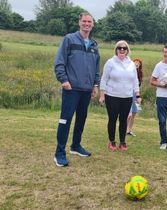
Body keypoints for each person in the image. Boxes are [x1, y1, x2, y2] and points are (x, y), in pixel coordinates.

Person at [53, 12, 100, 167]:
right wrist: (64, 80)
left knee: (81, 119)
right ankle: (59, 152)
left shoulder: (94, 45)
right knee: (65, 120)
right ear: (79, 23)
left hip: (86, 90)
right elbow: (59, 62)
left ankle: (75, 146)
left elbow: (96, 68)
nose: (87, 24)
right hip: (71, 88)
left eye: (89, 22)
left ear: (92, 24)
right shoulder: (69, 39)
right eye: (84, 21)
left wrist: (95, 85)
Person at [99, 40, 141, 152]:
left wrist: (137, 95)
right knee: (112, 119)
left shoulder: (131, 64)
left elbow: (135, 81)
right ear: (116, 50)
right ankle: (112, 141)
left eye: (124, 48)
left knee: (124, 119)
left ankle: (122, 142)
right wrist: (102, 95)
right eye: (119, 48)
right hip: (112, 95)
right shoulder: (110, 62)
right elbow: (104, 79)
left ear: (127, 51)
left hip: (127, 97)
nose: (122, 50)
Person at [127, 58, 144, 137]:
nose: (137, 64)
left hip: (135, 94)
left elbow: (138, 86)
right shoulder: (129, 71)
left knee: (134, 112)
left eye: (138, 63)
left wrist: (138, 96)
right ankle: (124, 129)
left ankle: (129, 130)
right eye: (135, 62)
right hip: (128, 93)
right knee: (128, 113)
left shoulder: (140, 74)